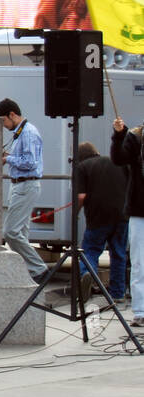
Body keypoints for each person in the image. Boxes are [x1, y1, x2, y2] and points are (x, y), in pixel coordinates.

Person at [0, 98, 47, 281]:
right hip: (21, 184)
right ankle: (30, 273)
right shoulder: (22, 132)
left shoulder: (28, 133)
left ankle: (38, 268)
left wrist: (8, 159)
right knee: (21, 232)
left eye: (3, 121)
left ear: (12, 115)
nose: (3, 125)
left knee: (11, 232)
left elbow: (30, 163)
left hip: (25, 184)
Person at [74, 140, 128, 303]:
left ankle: (86, 275)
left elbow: (81, 197)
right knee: (118, 253)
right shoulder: (117, 162)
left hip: (98, 217)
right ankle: (118, 294)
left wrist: (74, 213)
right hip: (122, 215)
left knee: (90, 250)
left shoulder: (82, 167)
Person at [110, 116, 144, 326]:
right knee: (139, 262)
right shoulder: (137, 137)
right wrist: (119, 135)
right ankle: (140, 310)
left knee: (140, 262)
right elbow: (118, 158)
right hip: (140, 209)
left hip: (139, 208)